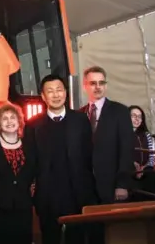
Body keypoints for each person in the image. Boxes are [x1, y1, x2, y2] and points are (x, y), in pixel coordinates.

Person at [26, 74, 96, 244]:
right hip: (48, 196)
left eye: (59, 90)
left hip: (77, 194)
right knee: (51, 238)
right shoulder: (33, 125)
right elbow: (30, 163)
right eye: (50, 91)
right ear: (43, 96)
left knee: (77, 238)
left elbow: (89, 156)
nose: (55, 95)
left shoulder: (80, 120)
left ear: (65, 92)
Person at [0, 103, 36, 244]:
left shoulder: (30, 145)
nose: (9, 121)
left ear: (19, 121)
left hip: (23, 208)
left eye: (13, 118)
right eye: (4, 119)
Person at [79, 66, 134, 204]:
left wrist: (122, 184)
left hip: (112, 186)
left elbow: (126, 150)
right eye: (93, 83)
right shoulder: (79, 115)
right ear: (85, 86)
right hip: (86, 188)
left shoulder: (120, 111)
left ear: (106, 85)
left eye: (101, 83)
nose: (98, 87)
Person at [128, 105, 155, 200]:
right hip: (129, 171)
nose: (137, 119)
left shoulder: (146, 135)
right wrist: (133, 165)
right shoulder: (123, 135)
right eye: (133, 115)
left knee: (154, 177)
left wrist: (144, 167)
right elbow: (121, 155)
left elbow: (152, 156)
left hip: (145, 171)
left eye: (140, 116)